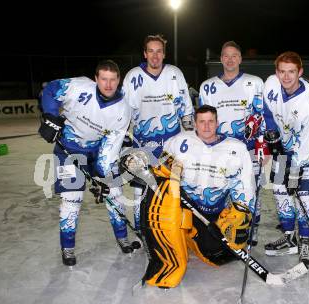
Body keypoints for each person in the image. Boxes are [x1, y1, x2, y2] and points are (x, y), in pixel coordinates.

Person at [128, 104, 256, 288]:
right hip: (183, 207)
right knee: (167, 230)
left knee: (217, 253)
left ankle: (189, 236)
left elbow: (244, 187)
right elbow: (161, 170)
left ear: (217, 123)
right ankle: (177, 241)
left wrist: (242, 211)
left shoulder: (236, 149)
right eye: (202, 122)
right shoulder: (179, 142)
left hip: (212, 214)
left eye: (211, 121)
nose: (206, 126)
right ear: (195, 124)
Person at [38, 60, 132, 266]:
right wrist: (50, 116)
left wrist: (102, 177)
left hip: (97, 152)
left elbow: (111, 146)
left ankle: (123, 237)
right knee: (72, 199)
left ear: (119, 80)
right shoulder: (78, 86)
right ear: (96, 79)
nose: (108, 85)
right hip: (68, 152)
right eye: (103, 79)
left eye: (113, 80)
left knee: (114, 194)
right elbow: (51, 90)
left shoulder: (123, 110)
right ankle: (68, 248)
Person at [122, 34, 194, 232]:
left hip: (171, 145)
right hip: (141, 145)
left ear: (164, 54)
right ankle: (141, 230)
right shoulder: (132, 76)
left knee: (173, 187)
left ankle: (172, 229)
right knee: (140, 190)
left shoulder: (175, 73)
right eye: (151, 51)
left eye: (159, 51)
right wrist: (123, 142)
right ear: (145, 54)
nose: (155, 56)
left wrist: (191, 139)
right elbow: (123, 113)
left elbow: (186, 109)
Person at [262, 51, 309, 269]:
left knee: (305, 197)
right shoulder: (270, 84)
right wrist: (272, 136)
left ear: (300, 72)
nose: (286, 77)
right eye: (282, 71)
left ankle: (305, 242)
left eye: (291, 72)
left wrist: (293, 170)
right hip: (282, 149)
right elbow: (268, 111)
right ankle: (289, 236)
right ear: (276, 71)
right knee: (280, 192)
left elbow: (308, 142)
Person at [198, 40, 264, 245]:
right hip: (220, 150)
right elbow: (202, 120)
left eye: (234, 55)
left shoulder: (254, 83)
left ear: (241, 58)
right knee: (223, 190)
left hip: (249, 149)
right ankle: (228, 228)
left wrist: (263, 149)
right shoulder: (207, 87)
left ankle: (250, 230)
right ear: (221, 59)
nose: (230, 59)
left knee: (251, 191)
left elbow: (262, 117)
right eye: (226, 55)